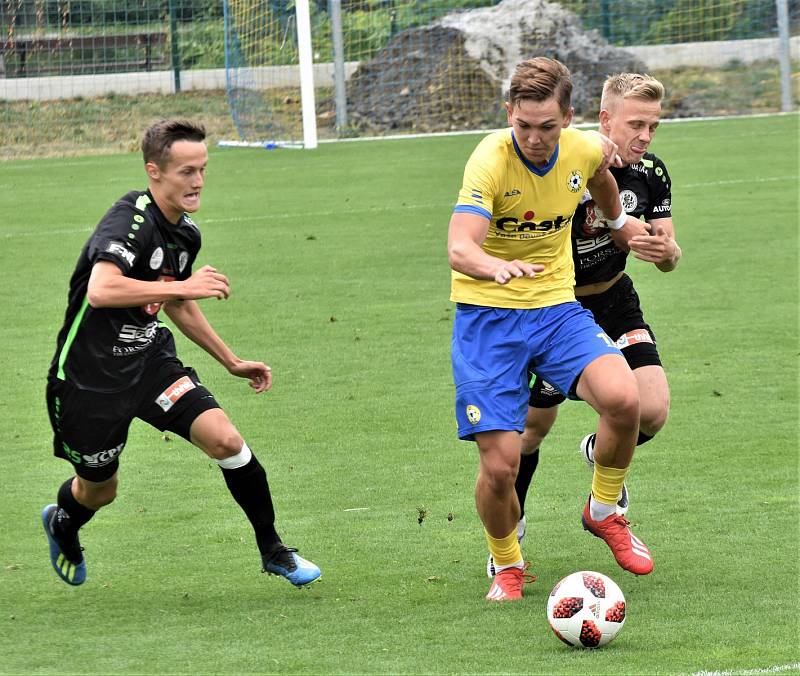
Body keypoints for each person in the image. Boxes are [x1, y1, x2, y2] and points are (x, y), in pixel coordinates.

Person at [41, 119, 320, 589]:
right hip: (90, 382)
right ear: (155, 171)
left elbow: (176, 300)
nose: (198, 182)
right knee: (99, 490)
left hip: (149, 362)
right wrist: (187, 284)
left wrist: (230, 361)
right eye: (186, 172)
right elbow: (103, 289)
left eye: (203, 170)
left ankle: (274, 550)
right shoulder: (128, 220)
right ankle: (64, 521)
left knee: (226, 441)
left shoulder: (185, 234)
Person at [448, 57, 654, 603]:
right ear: (508, 113)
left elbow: (602, 180)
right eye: (524, 125)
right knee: (500, 466)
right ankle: (509, 564)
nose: (535, 139)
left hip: (555, 310)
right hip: (488, 321)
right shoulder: (489, 160)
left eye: (547, 126)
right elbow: (459, 245)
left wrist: (618, 227)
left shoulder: (583, 148)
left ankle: (603, 509)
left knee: (623, 398)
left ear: (568, 118)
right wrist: (495, 267)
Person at [487, 73, 681, 578]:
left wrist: (667, 252)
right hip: (556, 310)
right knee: (531, 430)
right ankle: (512, 533)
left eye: (653, 126)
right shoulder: (565, 168)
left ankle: (600, 459)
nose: (644, 136)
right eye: (635, 124)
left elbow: (666, 255)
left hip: (615, 301)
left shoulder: (652, 174)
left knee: (651, 409)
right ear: (603, 121)